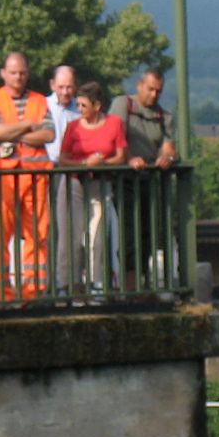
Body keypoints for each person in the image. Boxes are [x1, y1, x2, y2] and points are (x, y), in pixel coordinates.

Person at [0, 52, 54, 298]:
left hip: (36, 175)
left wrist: (11, 132)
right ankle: (0, 289)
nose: (18, 77)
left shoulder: (39, 101)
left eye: (22, 72)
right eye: (13, 72)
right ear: (3, 73)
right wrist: (27, 126)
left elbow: (48, 135)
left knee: (38, 233)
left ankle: (33, 288)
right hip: (3, 176)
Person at [58, 77, 127, 292]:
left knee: (97, 237)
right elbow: (63, 158)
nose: (79, 109)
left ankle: (97, 282)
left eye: (84, 105)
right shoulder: (73, 127)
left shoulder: (114, 124)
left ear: (97, 106)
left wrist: (102, 163)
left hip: (100, 184)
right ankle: (68, 284)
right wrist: (84, 163)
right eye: (78, 105)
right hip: (75, 183)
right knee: (70, 236)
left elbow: (121, 156)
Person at [112, 68, 179, 290]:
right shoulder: (124, 105)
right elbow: (115, 135)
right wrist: (129, 158)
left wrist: (166, 157)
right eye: (150, 89)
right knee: (129, 236)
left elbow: (169, 146)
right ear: (139, 86)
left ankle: (144, 285)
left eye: (158, 91)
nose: (153, 95)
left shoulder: (164, 116)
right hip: (124, 181)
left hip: (150, 182)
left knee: (149, 235)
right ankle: (129, 288)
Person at [42, 63, 80, 163]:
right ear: (52, 85)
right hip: (49, 166)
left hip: (74, 166)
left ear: (76, 85)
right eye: (61, 87)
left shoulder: (81, 108)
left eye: (69, 87)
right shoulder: (43, 105)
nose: (65, 92)